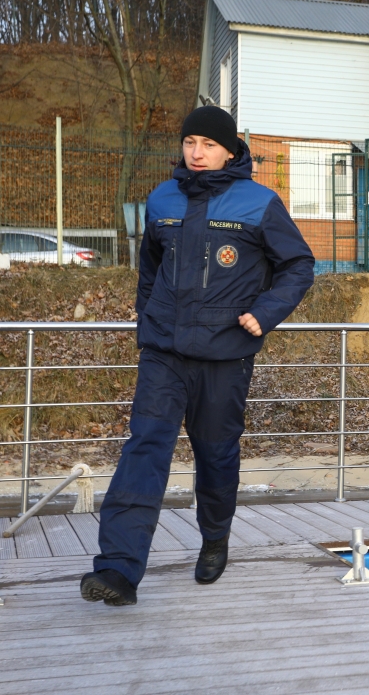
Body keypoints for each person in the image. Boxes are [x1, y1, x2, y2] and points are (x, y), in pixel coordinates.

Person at [80, 107, 316, 605]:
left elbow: (298, 265)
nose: (197, 152)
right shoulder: (162, 198)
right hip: (164, 354)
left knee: (215, 456)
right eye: (190, 142)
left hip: (225, 356)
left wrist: (265, 312)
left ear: (230, 150)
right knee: (144, 449)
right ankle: (119, 569)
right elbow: (150, 270)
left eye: (208, 144)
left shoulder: (260, 202)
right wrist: (148, 322)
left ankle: (214, 540)